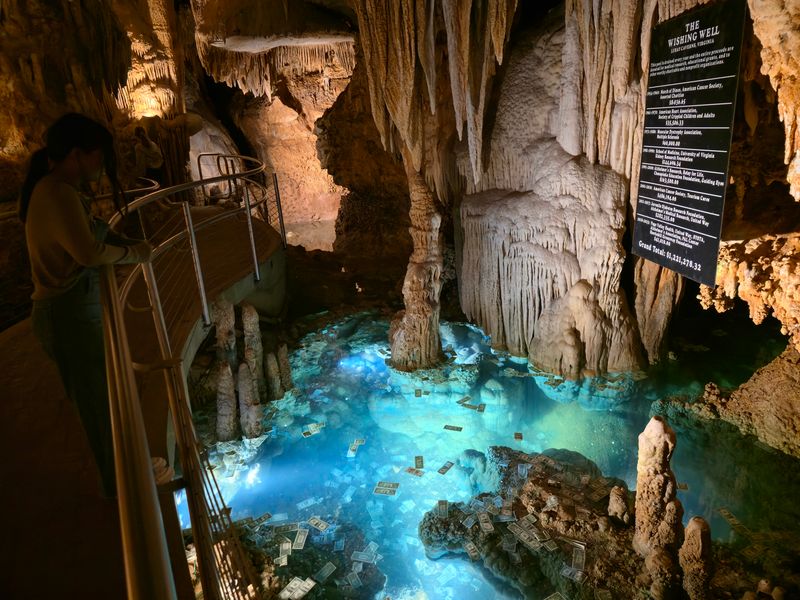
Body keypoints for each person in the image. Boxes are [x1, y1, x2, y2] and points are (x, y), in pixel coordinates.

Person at [19, 113, 153, 498]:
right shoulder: (57, 192)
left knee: (103, 397)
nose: (100, 165)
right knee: (98, 406)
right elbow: (89, 252)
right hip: (66, 315)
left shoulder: (57, 190)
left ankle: (127, 478)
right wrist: (135, 253)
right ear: (77, 154)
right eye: (98, 156)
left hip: (70, 311)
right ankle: (124, 495)